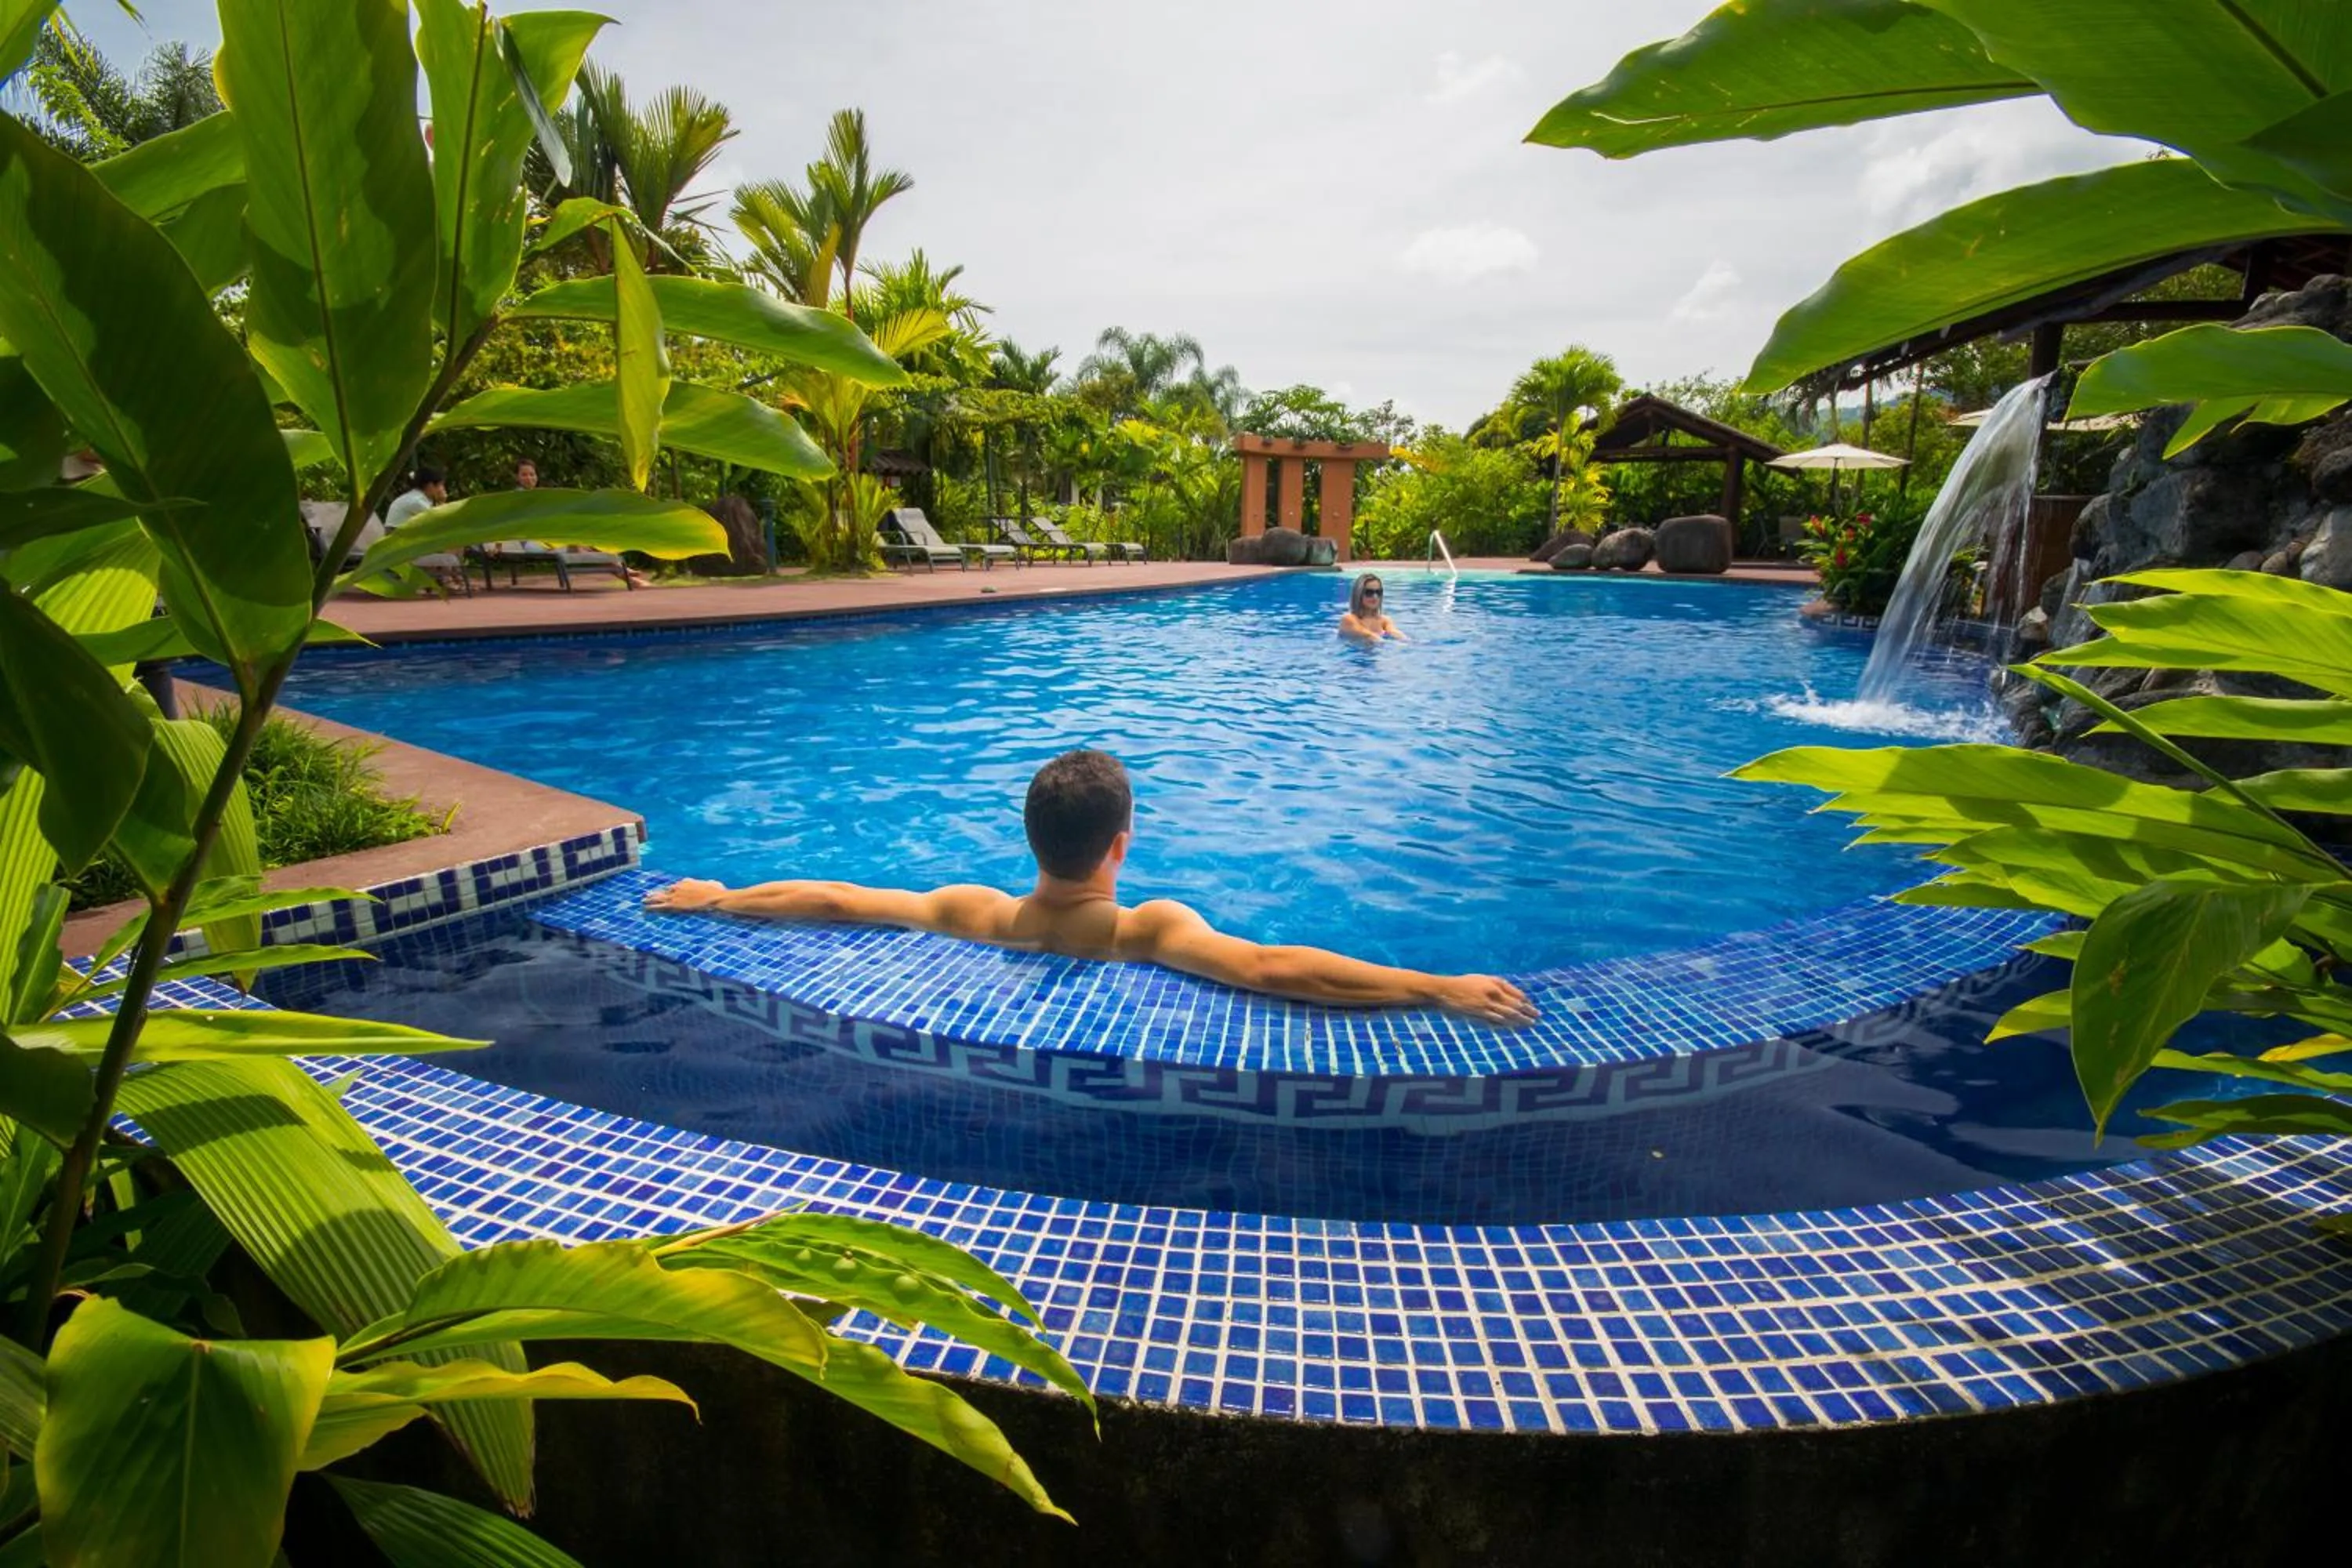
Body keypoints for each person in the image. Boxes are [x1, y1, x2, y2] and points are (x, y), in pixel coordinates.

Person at [645, 749, 1535, 1027]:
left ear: (1030, 836)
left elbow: (840, 901)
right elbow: (1266, 967)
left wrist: (721, 897)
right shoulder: (1143, 929)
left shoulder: (977, 913)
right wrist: (1436, 987)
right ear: (1122, 844)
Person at [1339, 574, 1405, 643]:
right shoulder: (1349, 619)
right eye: (1369, 593)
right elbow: (1369, 636)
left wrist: (1407, 642)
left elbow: (1394, 632)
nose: (1375, 597)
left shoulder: (1384, 621)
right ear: (1358, 594)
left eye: (1378, 592)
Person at [385, 465, 447, 529]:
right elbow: (438, 522)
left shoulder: (418, 497)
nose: (443, 489)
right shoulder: (417, 501)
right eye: (441, 485)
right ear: (430, 485)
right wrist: (441, 502)